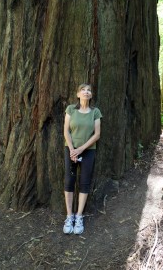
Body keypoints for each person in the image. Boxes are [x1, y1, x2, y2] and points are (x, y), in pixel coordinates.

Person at [63, 83, 102, 234]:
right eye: (83, 90)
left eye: (89, 90)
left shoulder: (95, 112)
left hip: (88, 151)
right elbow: (66, 130)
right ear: (78, 94)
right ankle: (69, 216)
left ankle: (79, 216)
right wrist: (73, 150)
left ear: (91, 95)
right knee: (69, 181)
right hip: (70, 150)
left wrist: (81, 149)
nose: (86, 92)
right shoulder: (71, 109)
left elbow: (97, 135)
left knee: (84, 182)